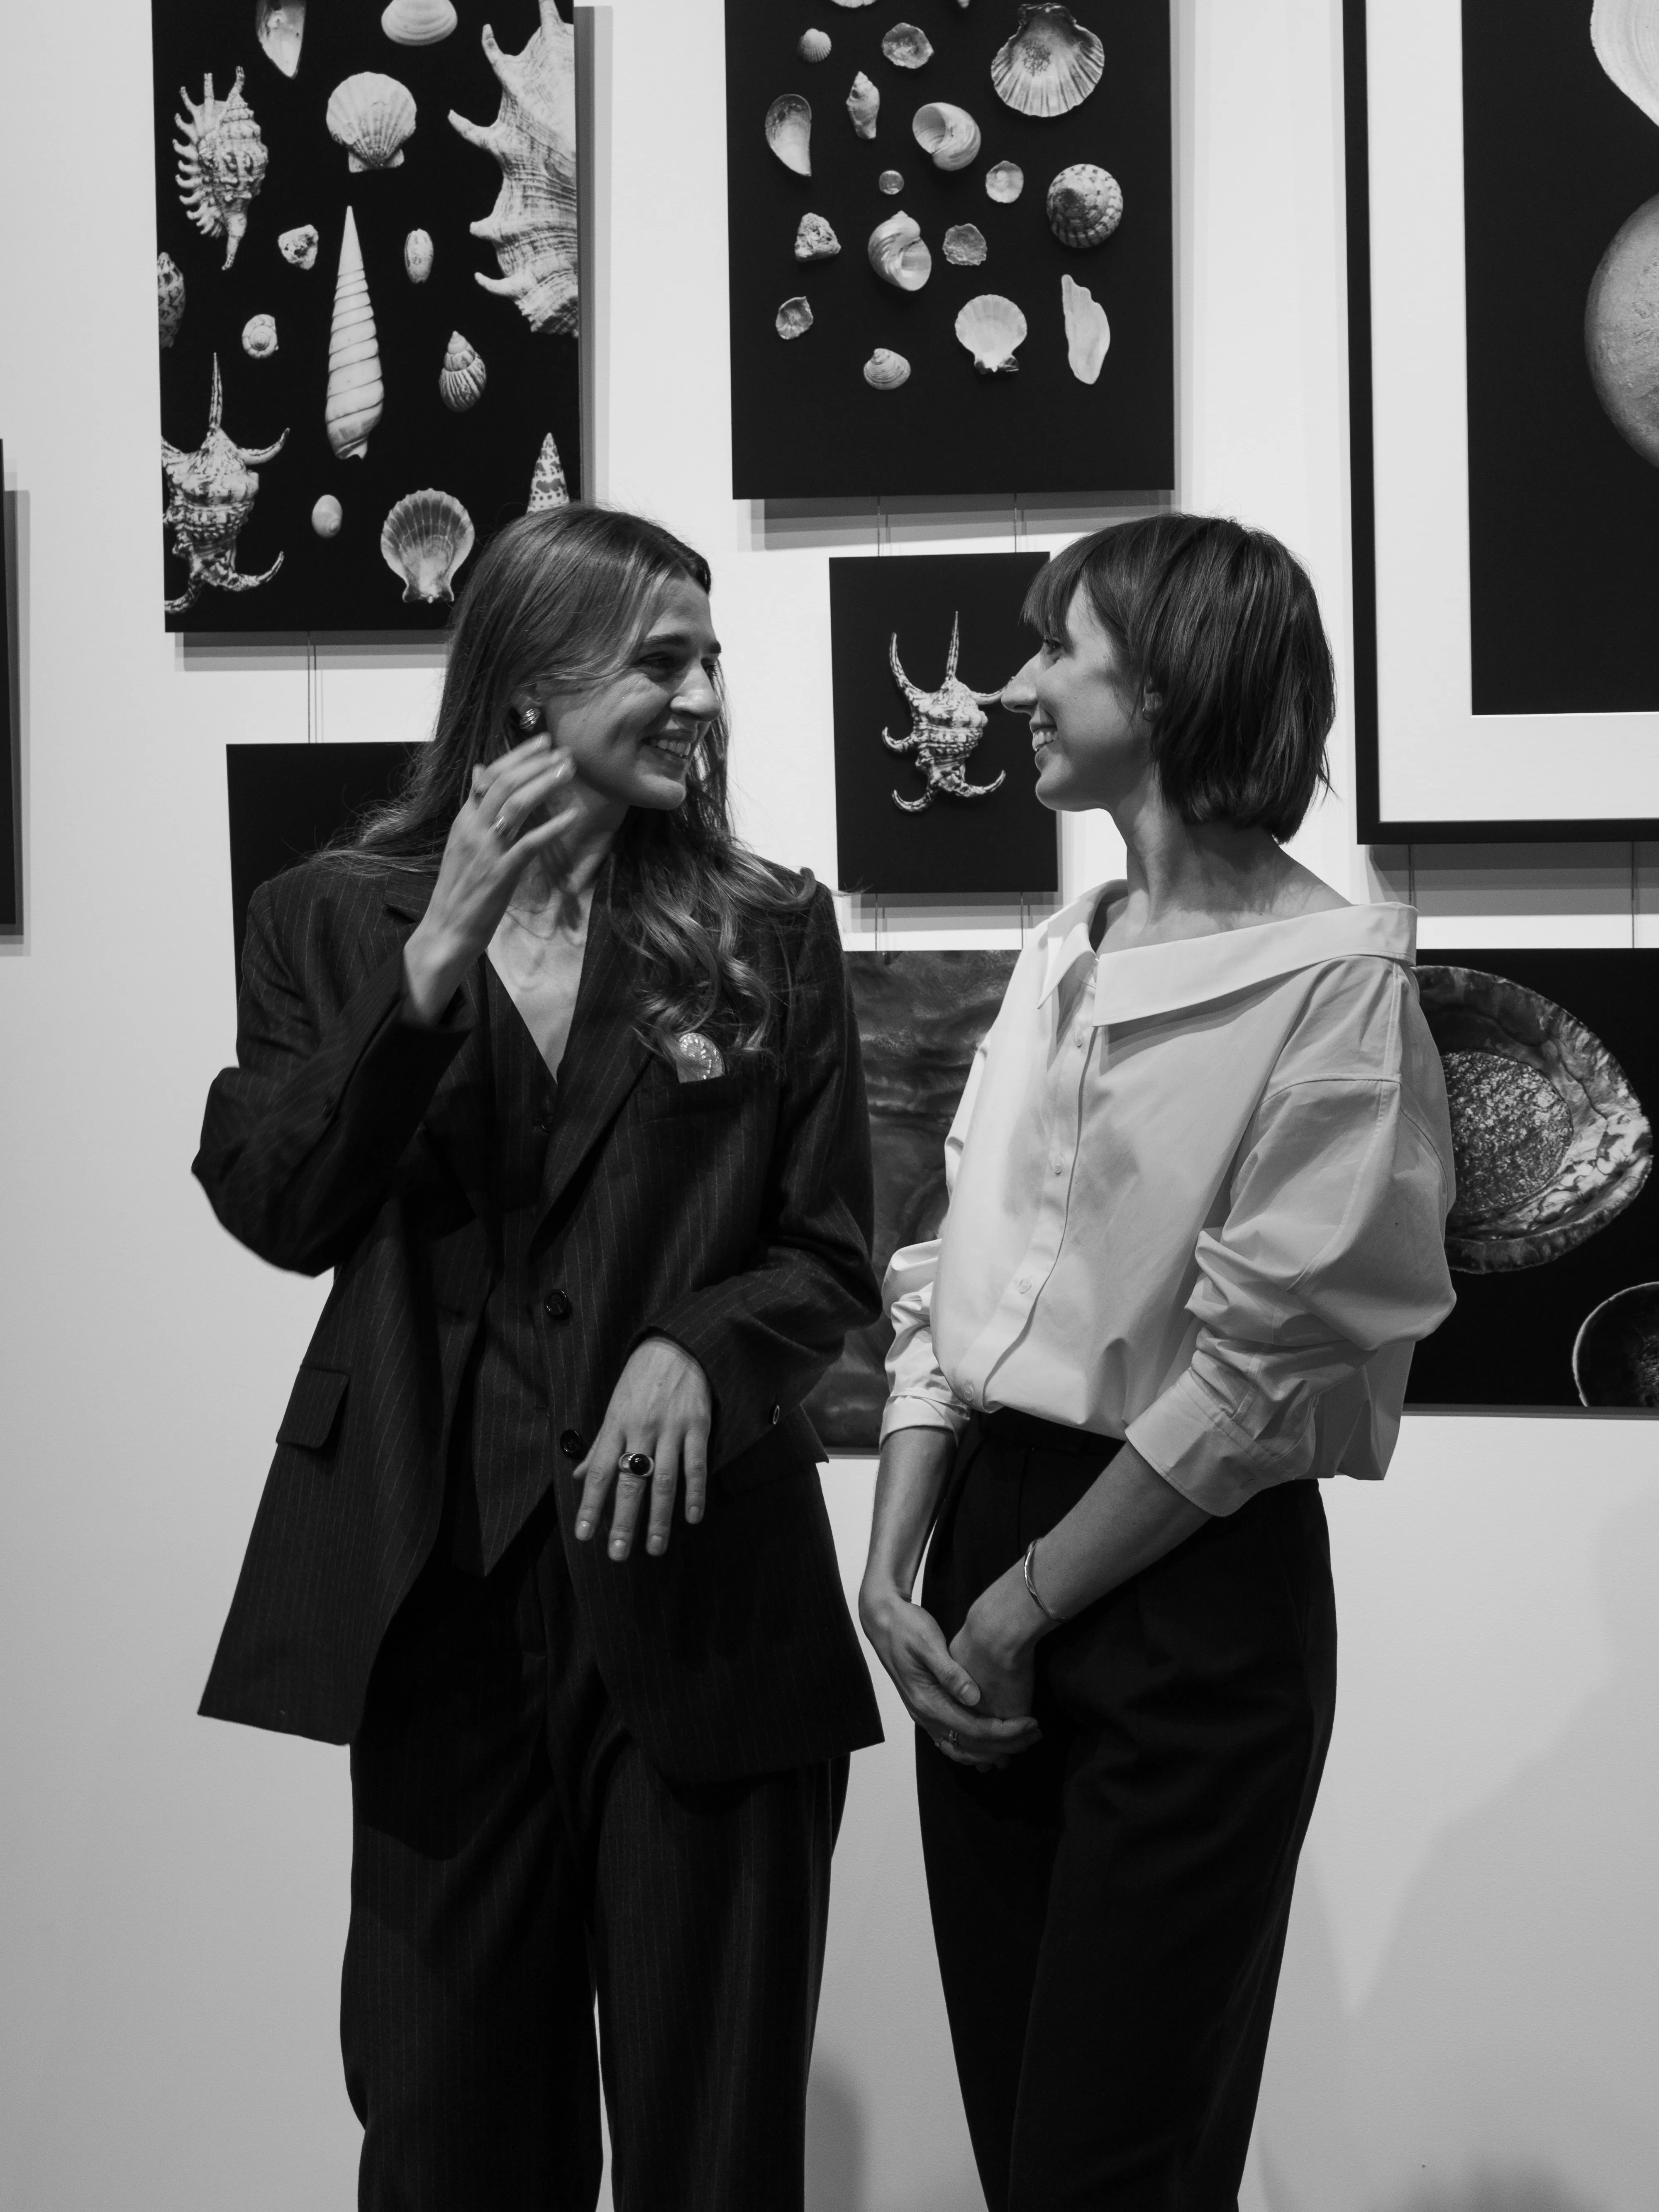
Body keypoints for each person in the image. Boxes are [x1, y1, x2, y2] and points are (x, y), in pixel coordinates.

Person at [193, 504, 883, 2212]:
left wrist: (705, 1357)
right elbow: (280, 1201)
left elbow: (830, 1260)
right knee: (444, 2141)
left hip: (709, 1605)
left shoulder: (767, 923)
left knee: (712, 2154)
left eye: (712, 657)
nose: (709, 693)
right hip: (433, 1607)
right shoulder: (329, 922)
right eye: (665, 660)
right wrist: (438, 961)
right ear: (524, 693)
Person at [859, 514, 1456, 2211]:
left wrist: (1015, 1606)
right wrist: (895, 1562)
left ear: (1176, 687)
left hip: (1182, 1591)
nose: (1028, 683)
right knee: (1023, 2144)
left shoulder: (1337, 983)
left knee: (1110, 2167)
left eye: (1065, 649)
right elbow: (951, 1275)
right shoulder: (1067, 949)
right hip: (985, 1537)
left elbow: (1262, 1379)